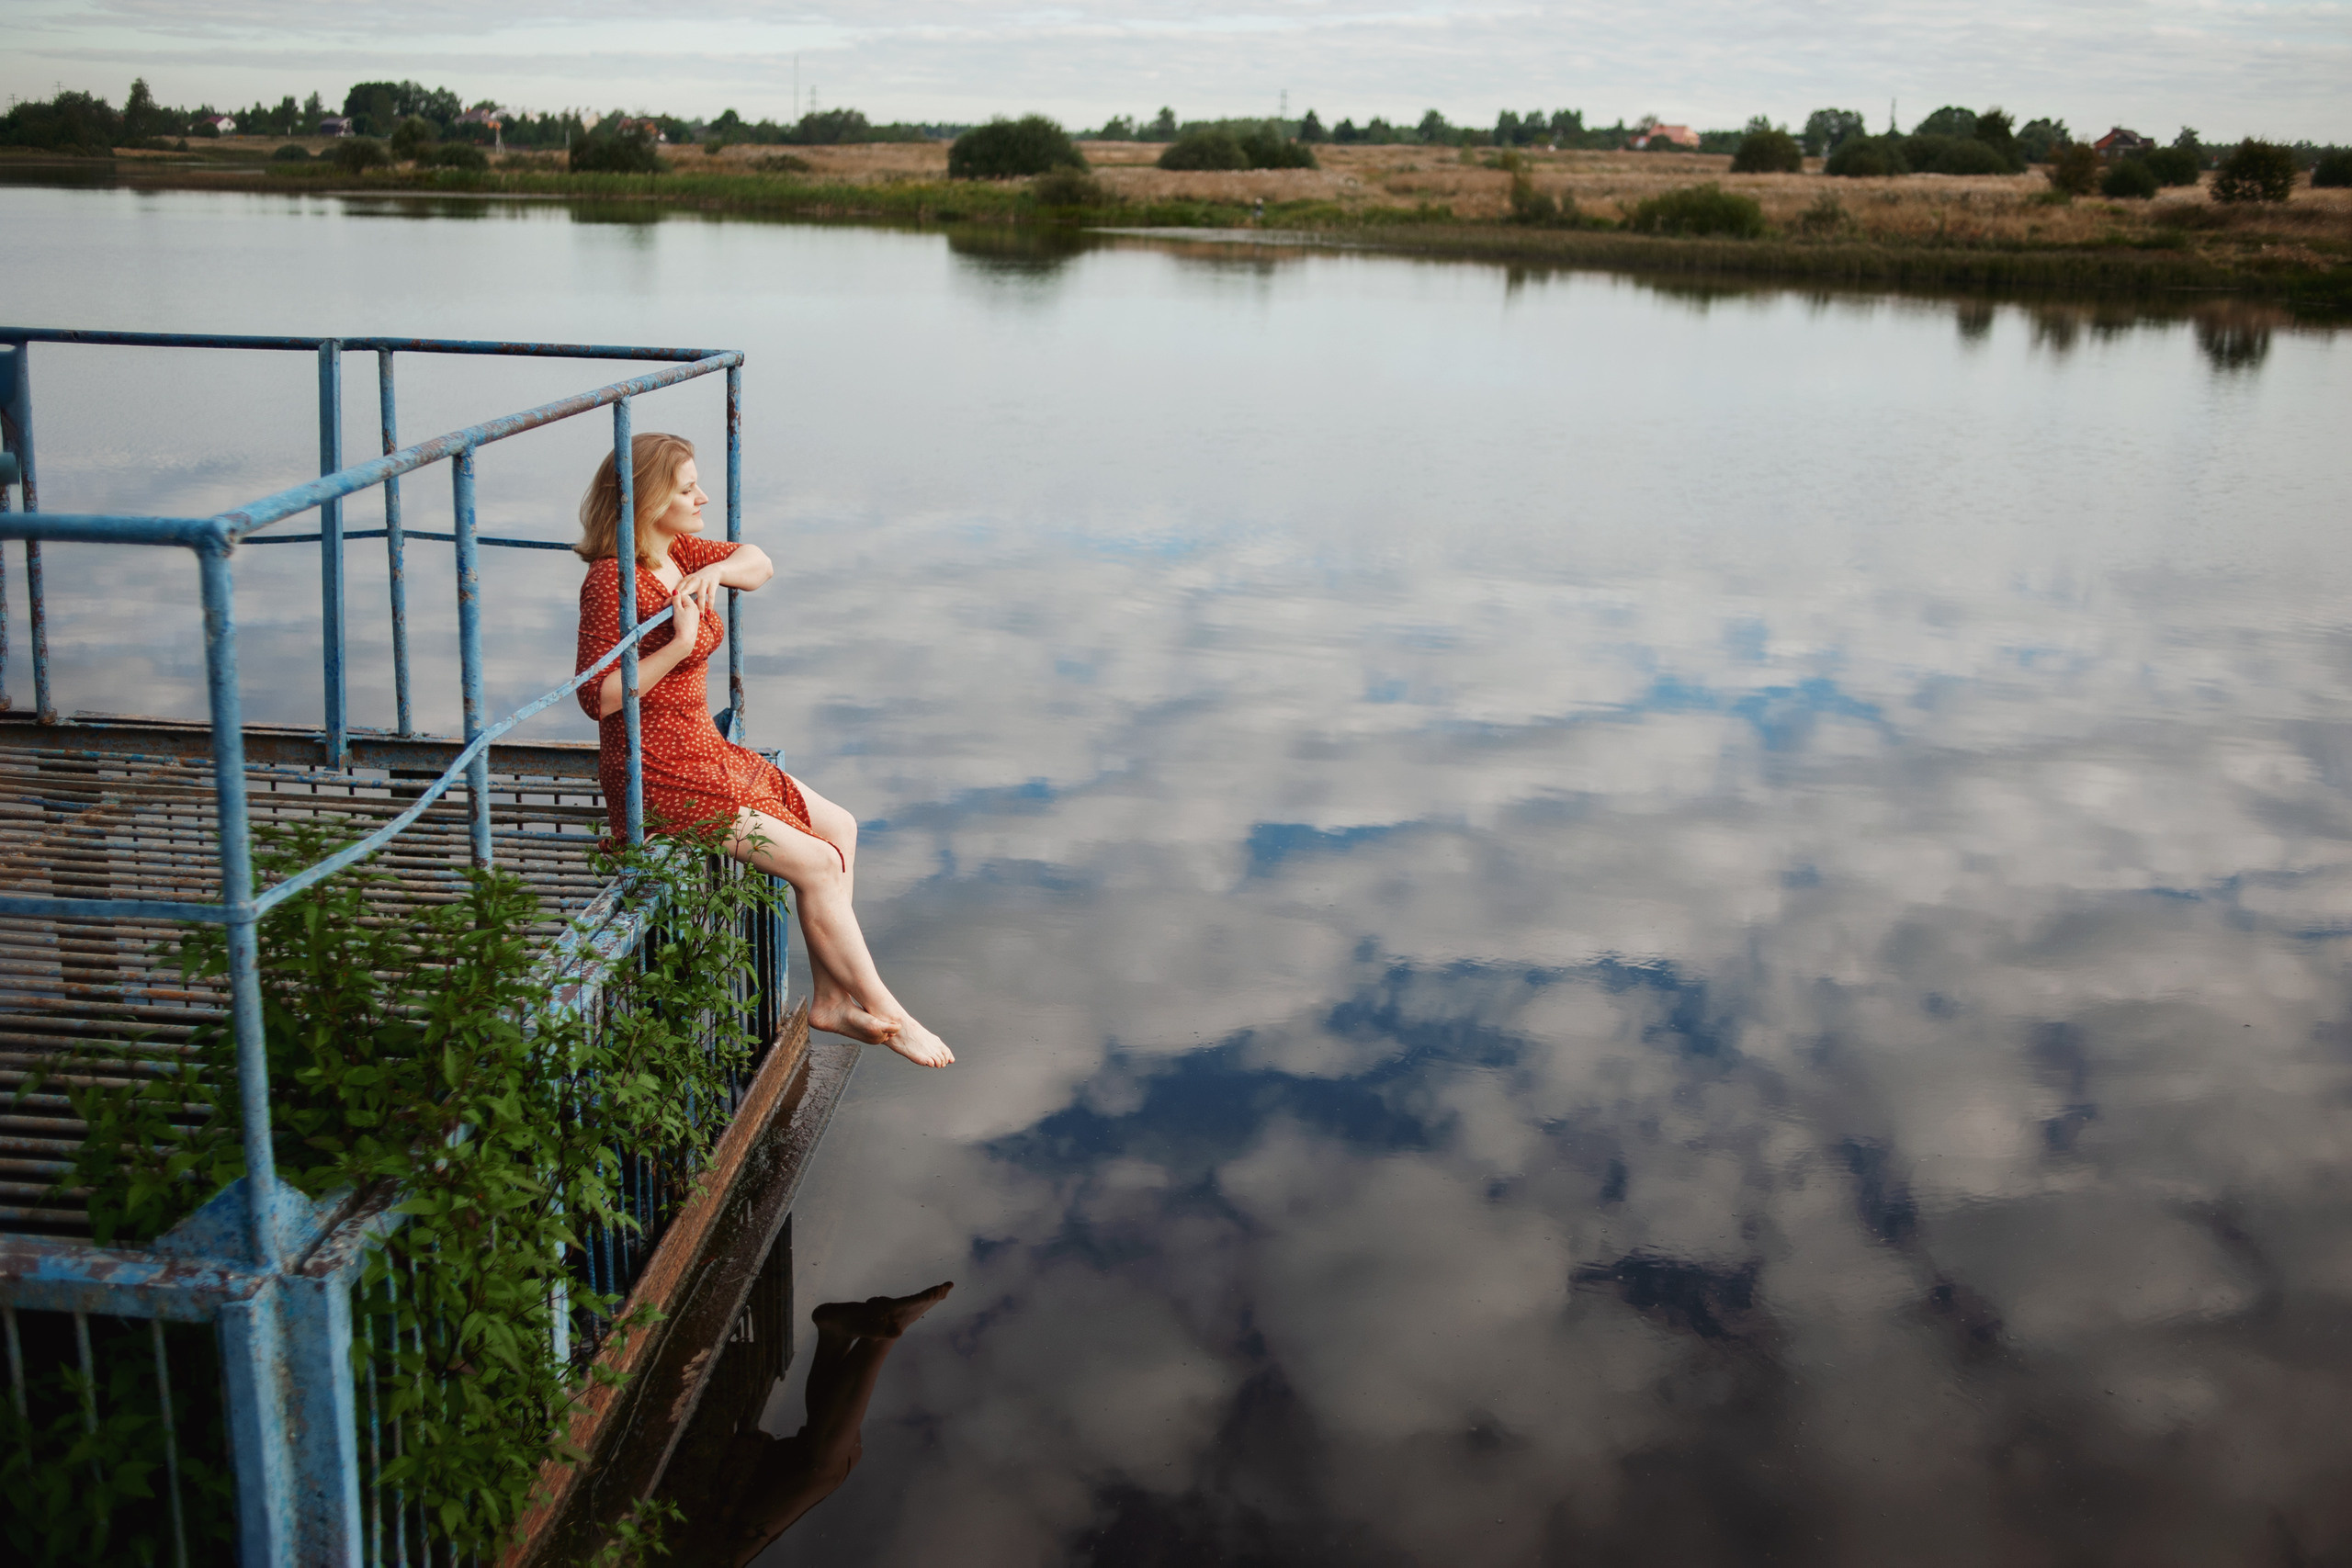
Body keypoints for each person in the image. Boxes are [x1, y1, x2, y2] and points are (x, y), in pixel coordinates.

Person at [574, 432, 952, 1067]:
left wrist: (717, 570)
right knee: (819, 865)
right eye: (688, 487)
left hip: (704, 749)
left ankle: (831, 996)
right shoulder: (611, 580)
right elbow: (598, 697)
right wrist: (677, 642)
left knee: (841, 826)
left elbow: (761, 562)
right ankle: (888, 1009)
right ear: (646, 498)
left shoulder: (676, 552)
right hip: (660, 773)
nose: (702, 497)